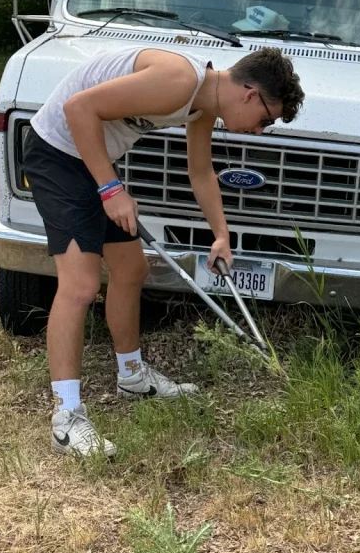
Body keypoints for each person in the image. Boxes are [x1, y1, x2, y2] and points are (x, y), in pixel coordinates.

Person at [23, 45, 304, 458]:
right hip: (57, 156)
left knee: (131, 269)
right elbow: (78, 108)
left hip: (87, 159)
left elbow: (201, 172)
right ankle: (66, 420)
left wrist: (221, 235)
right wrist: (111, 189)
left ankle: (132, 375)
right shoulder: (179, 80)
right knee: (80, 287)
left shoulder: (202, 104)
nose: (259, 130)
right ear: (249, 93)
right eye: (265, 119)